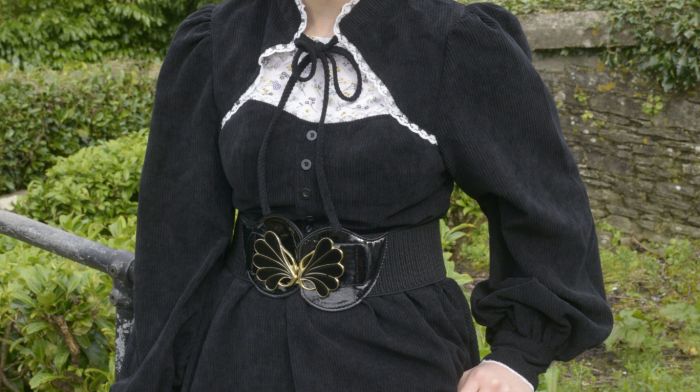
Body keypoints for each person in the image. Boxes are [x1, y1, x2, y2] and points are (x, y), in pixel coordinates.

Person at [110, 0, 614, 391]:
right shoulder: (218, 40)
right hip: (237, 354)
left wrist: (517, 355)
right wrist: (151, 374)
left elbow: (545, 204)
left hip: (400, 353)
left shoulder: (454, 41)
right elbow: (176, 230)